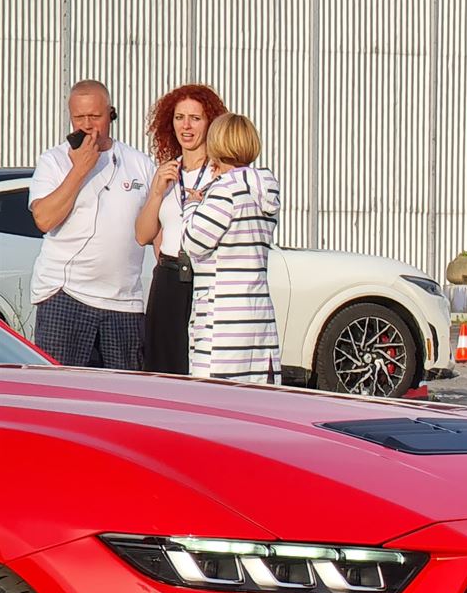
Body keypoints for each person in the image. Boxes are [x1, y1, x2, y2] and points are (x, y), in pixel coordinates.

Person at [26, 79, 157, 369]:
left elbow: (155, 228)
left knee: (122, 396)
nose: (87, 125)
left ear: (111, 113)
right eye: (79, 117)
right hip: (65, 295)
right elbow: (44, 219)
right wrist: (80, 170)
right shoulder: (54, 161)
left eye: (95, 117)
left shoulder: (139, 164)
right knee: (60, 393)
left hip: (124, 302)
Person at [135, 83, 230, 375]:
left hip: (206, 277)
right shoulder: (167, 171)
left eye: (195, 118)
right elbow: (142, 235)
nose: (186, 126)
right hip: (168, 278)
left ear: (210, 123)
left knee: (203, 367)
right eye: (179, 118)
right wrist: (155, 193)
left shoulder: (223, 173)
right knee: (164, 366)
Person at [181, 113, 282, 384]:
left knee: (215, 405)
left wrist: (192, 204)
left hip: (223, 324)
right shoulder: (264, 189)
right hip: (257, 316)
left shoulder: (226, 190)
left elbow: (193, 241)